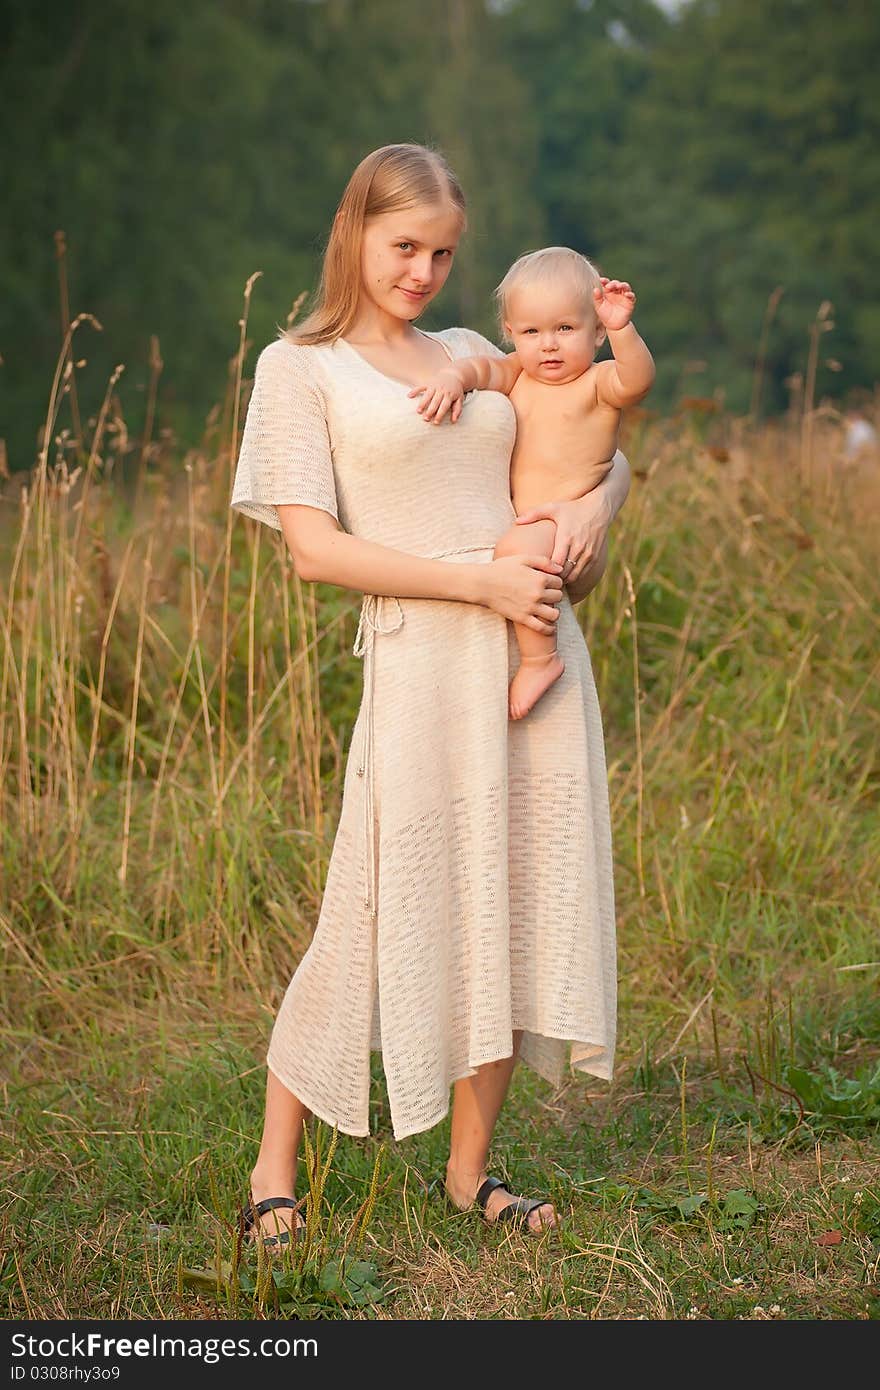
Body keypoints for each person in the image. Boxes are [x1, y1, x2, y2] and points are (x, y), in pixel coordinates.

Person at [229, 143, 631, 1246]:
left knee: (514, 900)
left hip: (535, 655)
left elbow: (584, 417)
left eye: (443, 252)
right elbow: (314, 552)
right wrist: (479, 580)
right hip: (422, 660)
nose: (423, 271)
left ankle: (469, 1173)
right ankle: (273, 1166)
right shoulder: (298, 368)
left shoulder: (470, 348)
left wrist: (605, 505)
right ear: (356, 228)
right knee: (365, 905)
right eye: (405, 246)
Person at [408, 246, 654, 718]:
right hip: (534, 536)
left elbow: (637, 380)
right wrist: (454, 378)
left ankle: (541, 662)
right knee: (518, 552)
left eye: (565, 328)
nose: (549, 345)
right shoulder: (518, 372)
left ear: (596, 330)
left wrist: (624, 329)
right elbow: (484, 369)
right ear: (510, 333)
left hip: (568, 535)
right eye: (532, 331)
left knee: (516, 553)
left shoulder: (599, 383)